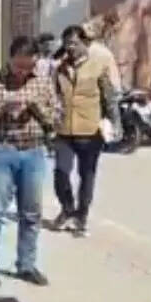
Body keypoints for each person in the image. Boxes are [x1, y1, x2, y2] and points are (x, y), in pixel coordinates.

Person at [0, 36, 57, 287]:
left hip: (33, 152)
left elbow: (56, 117)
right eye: (19, 66)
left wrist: (37, 109)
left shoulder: (42, 82)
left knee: (31, 214)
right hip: (0, 151)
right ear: (10, 59)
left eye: (29, 67)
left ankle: (26, 265)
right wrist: (1, 108)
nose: (23, 73)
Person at [51, 24, 120, 237]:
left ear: (85, 43)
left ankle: (81, 216)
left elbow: (109, 98)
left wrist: (115, 123)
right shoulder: (60, 69)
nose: (70, 48)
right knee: (61, 173)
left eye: (74, 43)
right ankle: (67, 209)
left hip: (89, 131)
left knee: (86, 175)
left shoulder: (98, 66)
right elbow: (53, 96)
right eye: (67, 44)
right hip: (63, 130)